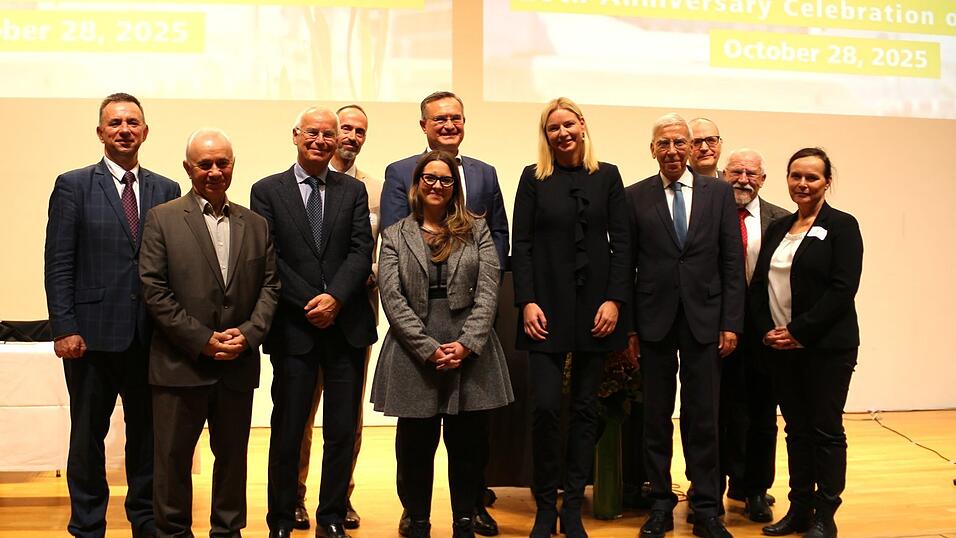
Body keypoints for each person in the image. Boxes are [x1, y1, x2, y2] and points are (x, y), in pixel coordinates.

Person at [44, 92, 180, 538]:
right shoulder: (73, 185)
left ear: (145, 131)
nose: (125, 129)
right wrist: (64, 327)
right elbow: (60, 262)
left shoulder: (166, 189)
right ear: (100, 132)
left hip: (151, 338)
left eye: (133, 122)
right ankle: (87, 525)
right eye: (115, 122)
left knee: (147, 438)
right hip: (91, 339)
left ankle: (145, 522)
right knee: (87, 439)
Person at [139, 128, 280, 537]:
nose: (215, 171)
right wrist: (201, 339)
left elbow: (271, 286)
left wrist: (249, 334)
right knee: (172, 462)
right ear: (188, 168)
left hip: (237, 365)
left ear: (233, 165)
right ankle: (173, 532)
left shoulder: (256, 224)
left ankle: (227, 531)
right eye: (205, 164)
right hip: (179, 364)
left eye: (223, 163)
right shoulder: (162, 219)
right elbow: (154, 289)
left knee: (233, 459)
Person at [381, 90, 509, 536]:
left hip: (469, 348)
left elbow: (490, 287)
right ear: (417, 185)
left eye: (445, 180)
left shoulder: (476, 229)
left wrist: (468, 342)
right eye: (429, 179)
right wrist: (427, 346)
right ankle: (416, 517)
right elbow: (391, 295)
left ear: (456, 185)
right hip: (415, 349)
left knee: (469, 443)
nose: (437, 185)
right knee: (414, 444)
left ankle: (464, 516)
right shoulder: (396, 233)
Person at [251, 107, 377, 538]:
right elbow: (270, 259)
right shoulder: (266, 190)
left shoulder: (353, 192)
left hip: (347, 328)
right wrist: (313, 301)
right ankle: (283, 519)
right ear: (296, 136)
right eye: (313, 133)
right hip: (294, 329)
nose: (321, 140)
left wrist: (336, 298)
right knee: (288, 431)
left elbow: (361, 251)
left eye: (328, 134)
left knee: (342, 432)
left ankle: (331, 516)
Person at [511, 97, 631, 538]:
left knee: (584, 410)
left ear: (582, 125)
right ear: (546, 135)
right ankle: (546, 506)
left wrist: (615, 300)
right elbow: (520, 245)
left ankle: (573, 508)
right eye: (552, 128)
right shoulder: (532, 178)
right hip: (544, 308)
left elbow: (622, 243)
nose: (562, 133)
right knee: (544, 409)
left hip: (595, 310)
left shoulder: (609, 177)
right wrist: (526, 301)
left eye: (568, 124)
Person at [627, 113, 744, 538]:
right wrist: (631, 329)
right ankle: (659, 503)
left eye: (681, 143)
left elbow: (731, 261)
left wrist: (731, 321)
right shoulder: (634, 196)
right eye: (664, 144)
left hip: (706, 322)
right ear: (653, 150)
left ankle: (706, 506)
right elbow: (627, 266)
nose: (673, 151)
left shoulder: (718, 193)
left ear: (692, 148)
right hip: (653, 324)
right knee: (655, 417)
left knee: (704, 417)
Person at [750, 148, 863, 538]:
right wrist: (768, 330)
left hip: (826, 348)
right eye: (796, 176)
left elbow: (842, 289)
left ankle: (825, 515)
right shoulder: (780, 227)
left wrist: (799, 331)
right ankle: (800, 509)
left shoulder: (842, 226)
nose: (802, 183)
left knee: (825, 430)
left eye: (812, 177)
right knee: (796, 431)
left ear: (827, 182)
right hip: (781, 348)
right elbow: (760, 285)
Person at [295, 104, 383, 532]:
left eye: (358, 130)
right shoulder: (291, 185)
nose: (350, 136)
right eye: (344, 128)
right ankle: (294, 496)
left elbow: (374, 250)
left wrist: (345, 291)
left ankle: (341, 496)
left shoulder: (377, 189)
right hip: (303, 317)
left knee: (346, 418)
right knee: (300, 413)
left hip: (354, 315)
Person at [716, 149, 790, 522]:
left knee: (762, 413)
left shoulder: (782, 219)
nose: (743, 179)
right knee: (718, 411)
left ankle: (756, 489)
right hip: (717, 329)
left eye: (751, 173)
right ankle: (714, 486)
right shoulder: (709, 212)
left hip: (764, 331)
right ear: (722, 173)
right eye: (736, 172)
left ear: (762, 179)